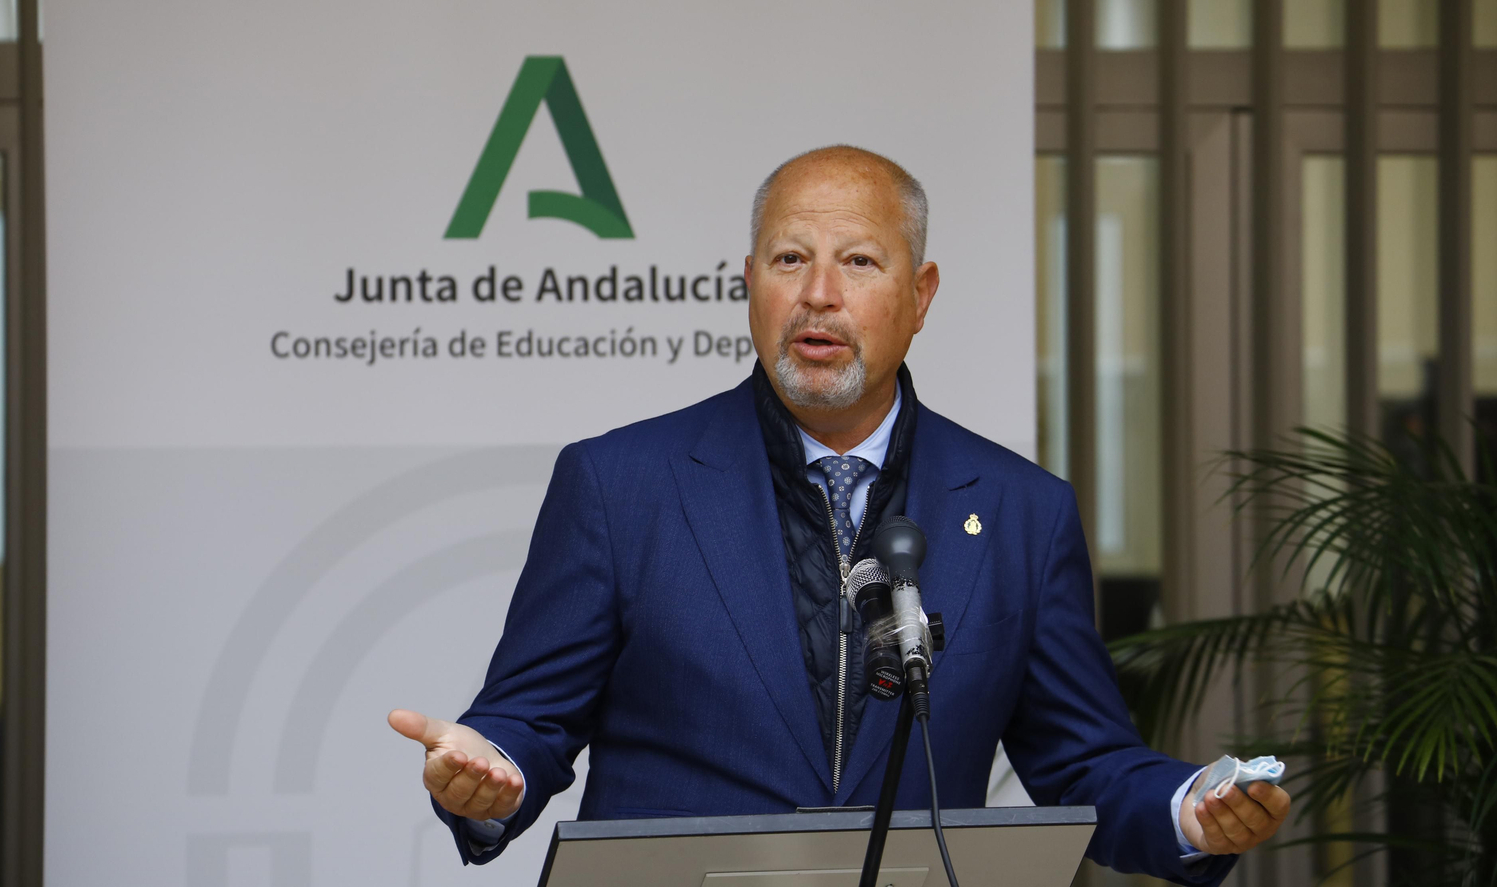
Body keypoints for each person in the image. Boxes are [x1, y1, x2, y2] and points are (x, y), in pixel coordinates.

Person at [387, 146, 1289, 884]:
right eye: (790, 260)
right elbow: (526, 724)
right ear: (749, 283)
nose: (819, 293)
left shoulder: (1022, 511)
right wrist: (489, 782)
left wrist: (1190, 810)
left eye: (858, 261)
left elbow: (1084, 762)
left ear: (922, 293)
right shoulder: (620, 484)